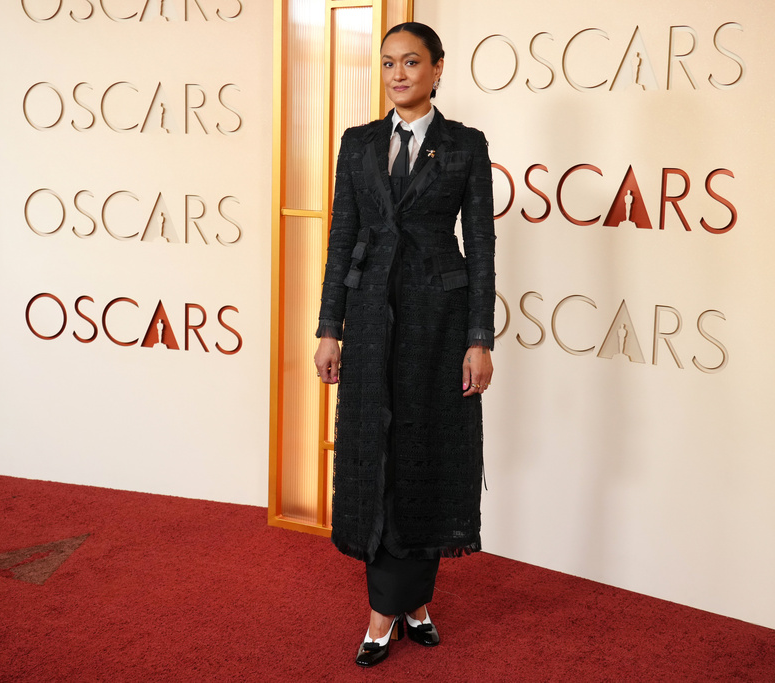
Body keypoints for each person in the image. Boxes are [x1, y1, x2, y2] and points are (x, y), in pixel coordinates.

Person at [313, 21, 495, 668]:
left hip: (439, 323)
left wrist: (480, 338)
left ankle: (402, 606)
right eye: (388, 62)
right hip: (367, 320)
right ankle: (397, 607)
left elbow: (481, 246)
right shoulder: (358, 143)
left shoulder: (465, 146)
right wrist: (329, 325)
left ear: (438, 68)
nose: (397, 74)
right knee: (378, 452)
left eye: (411, 62)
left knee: (428, 454)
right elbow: (341, 238)